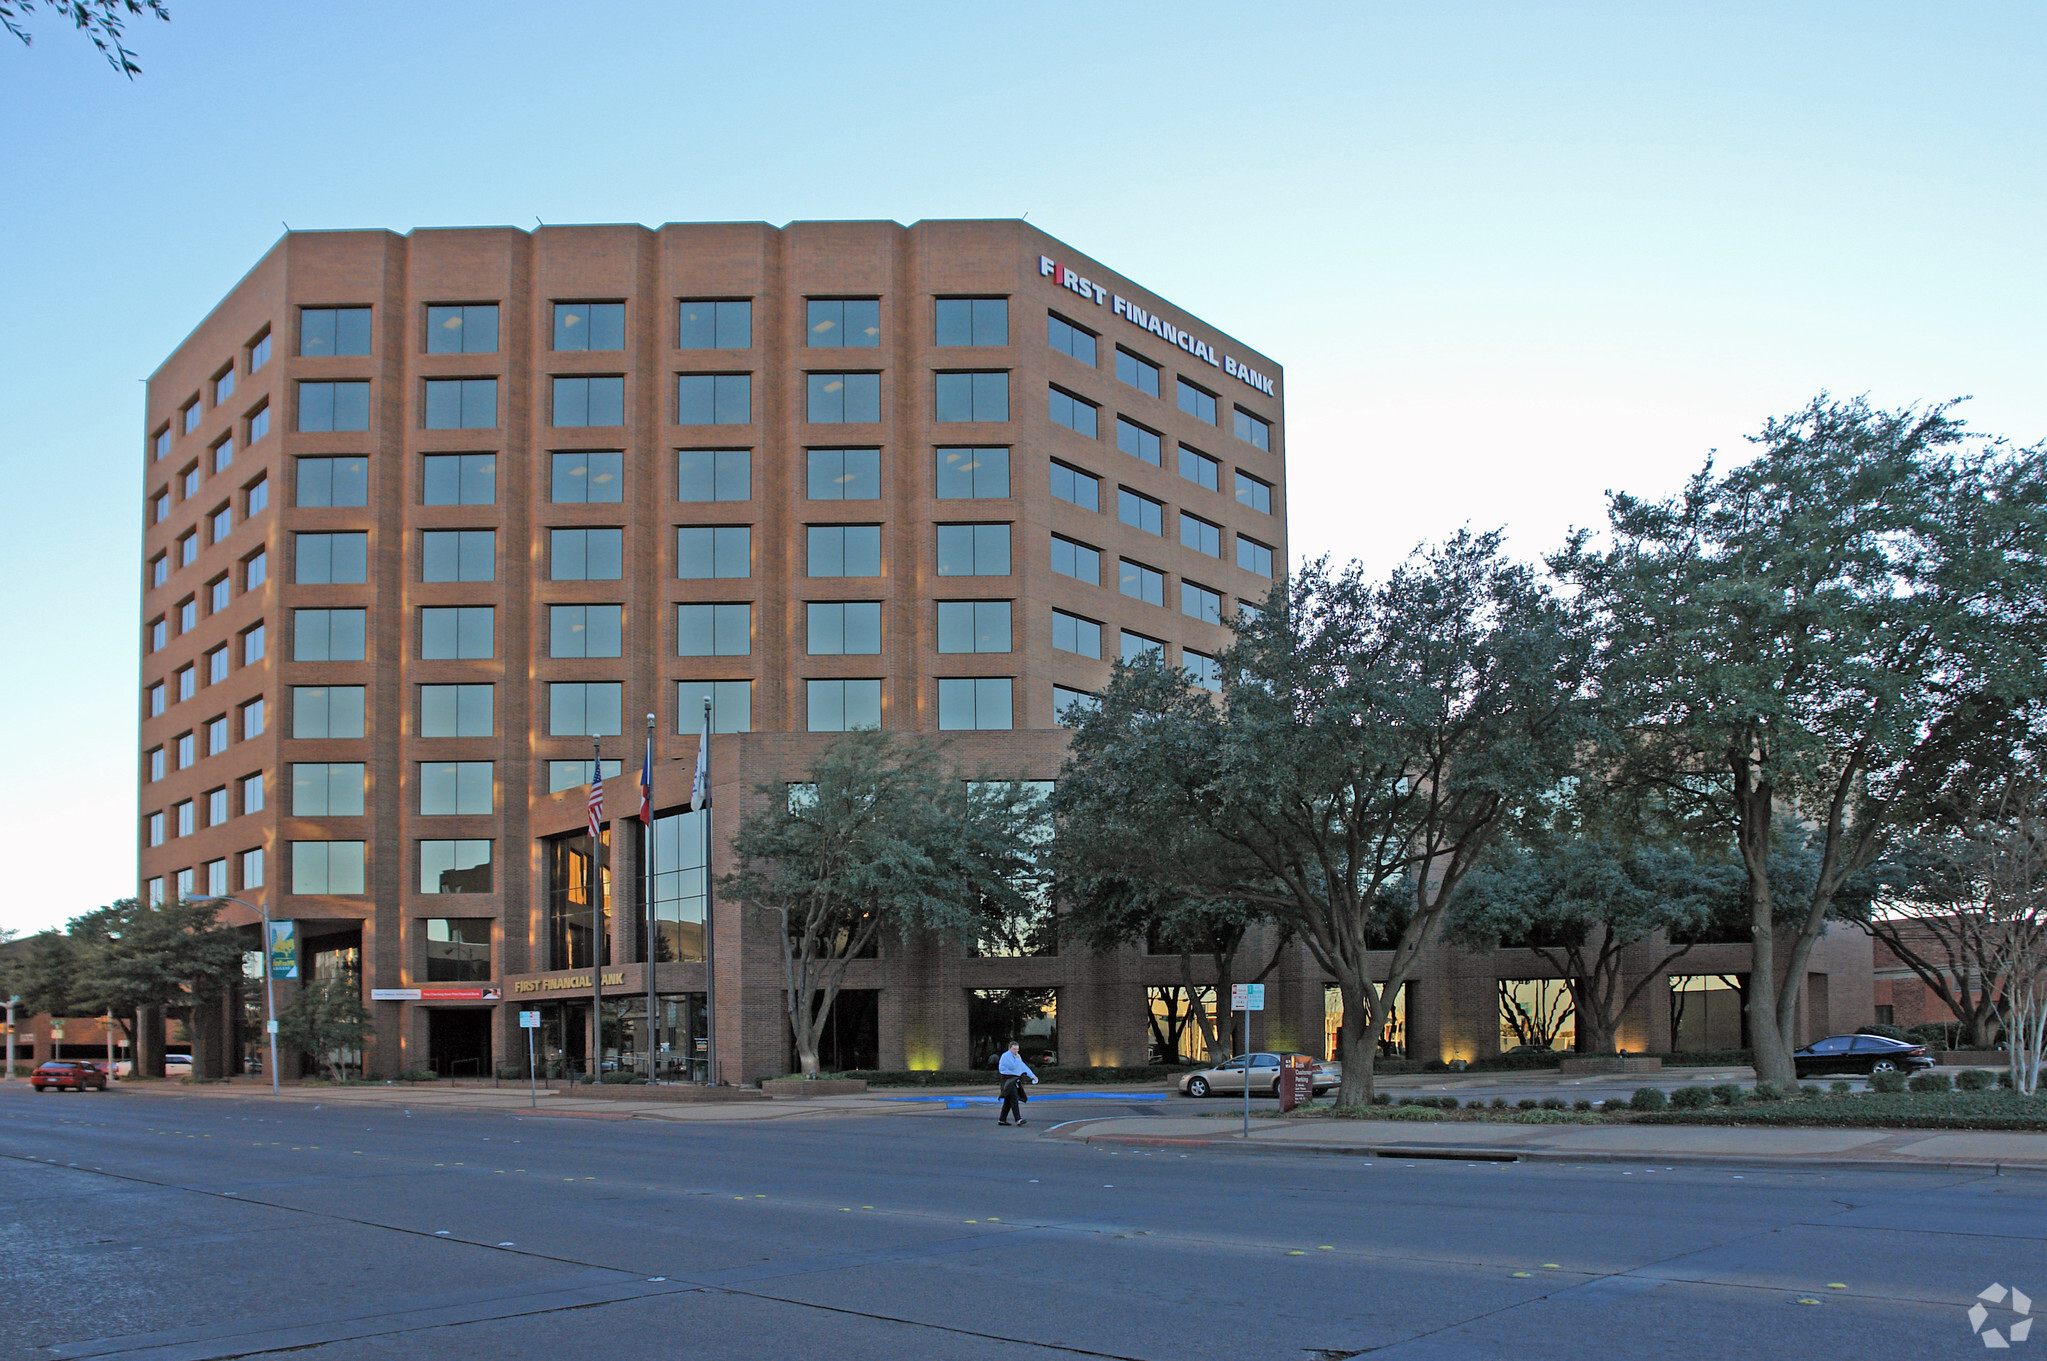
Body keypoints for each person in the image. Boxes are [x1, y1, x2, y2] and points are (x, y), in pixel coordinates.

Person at [997, 1040, 1037, 1126]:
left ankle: (1002, 1119)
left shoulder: (1017, 1057)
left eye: (1017, 1049)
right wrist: (1018, 1059)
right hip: (1007, 1080)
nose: (1016, 1051)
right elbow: (1013, 1066)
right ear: (1009, 1048)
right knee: (1014, 1098)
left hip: (1014, 1080)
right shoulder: (1005, 1056)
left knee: (1008, 1101)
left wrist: (1032, 1076)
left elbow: (1022, 1067)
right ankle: (1018, 1119)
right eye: (1014, 1049)